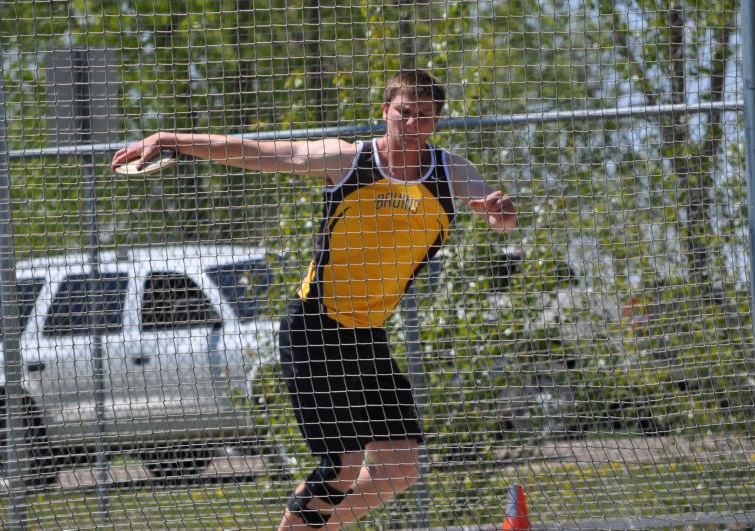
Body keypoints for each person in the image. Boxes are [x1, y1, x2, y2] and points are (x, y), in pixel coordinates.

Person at [111, 69, 516, 530]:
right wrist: (169, 138)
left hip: (366, 337)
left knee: (400, 469)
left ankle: (315, 527)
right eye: (403, 112)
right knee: (342, 467)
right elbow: (253, 151)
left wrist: (499, 213)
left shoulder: (451, 171)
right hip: (314, 328)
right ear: (385, 111)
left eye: (423, 117)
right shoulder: (347, 161)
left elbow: (493, 208)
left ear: (436, 123)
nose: (410, 124)